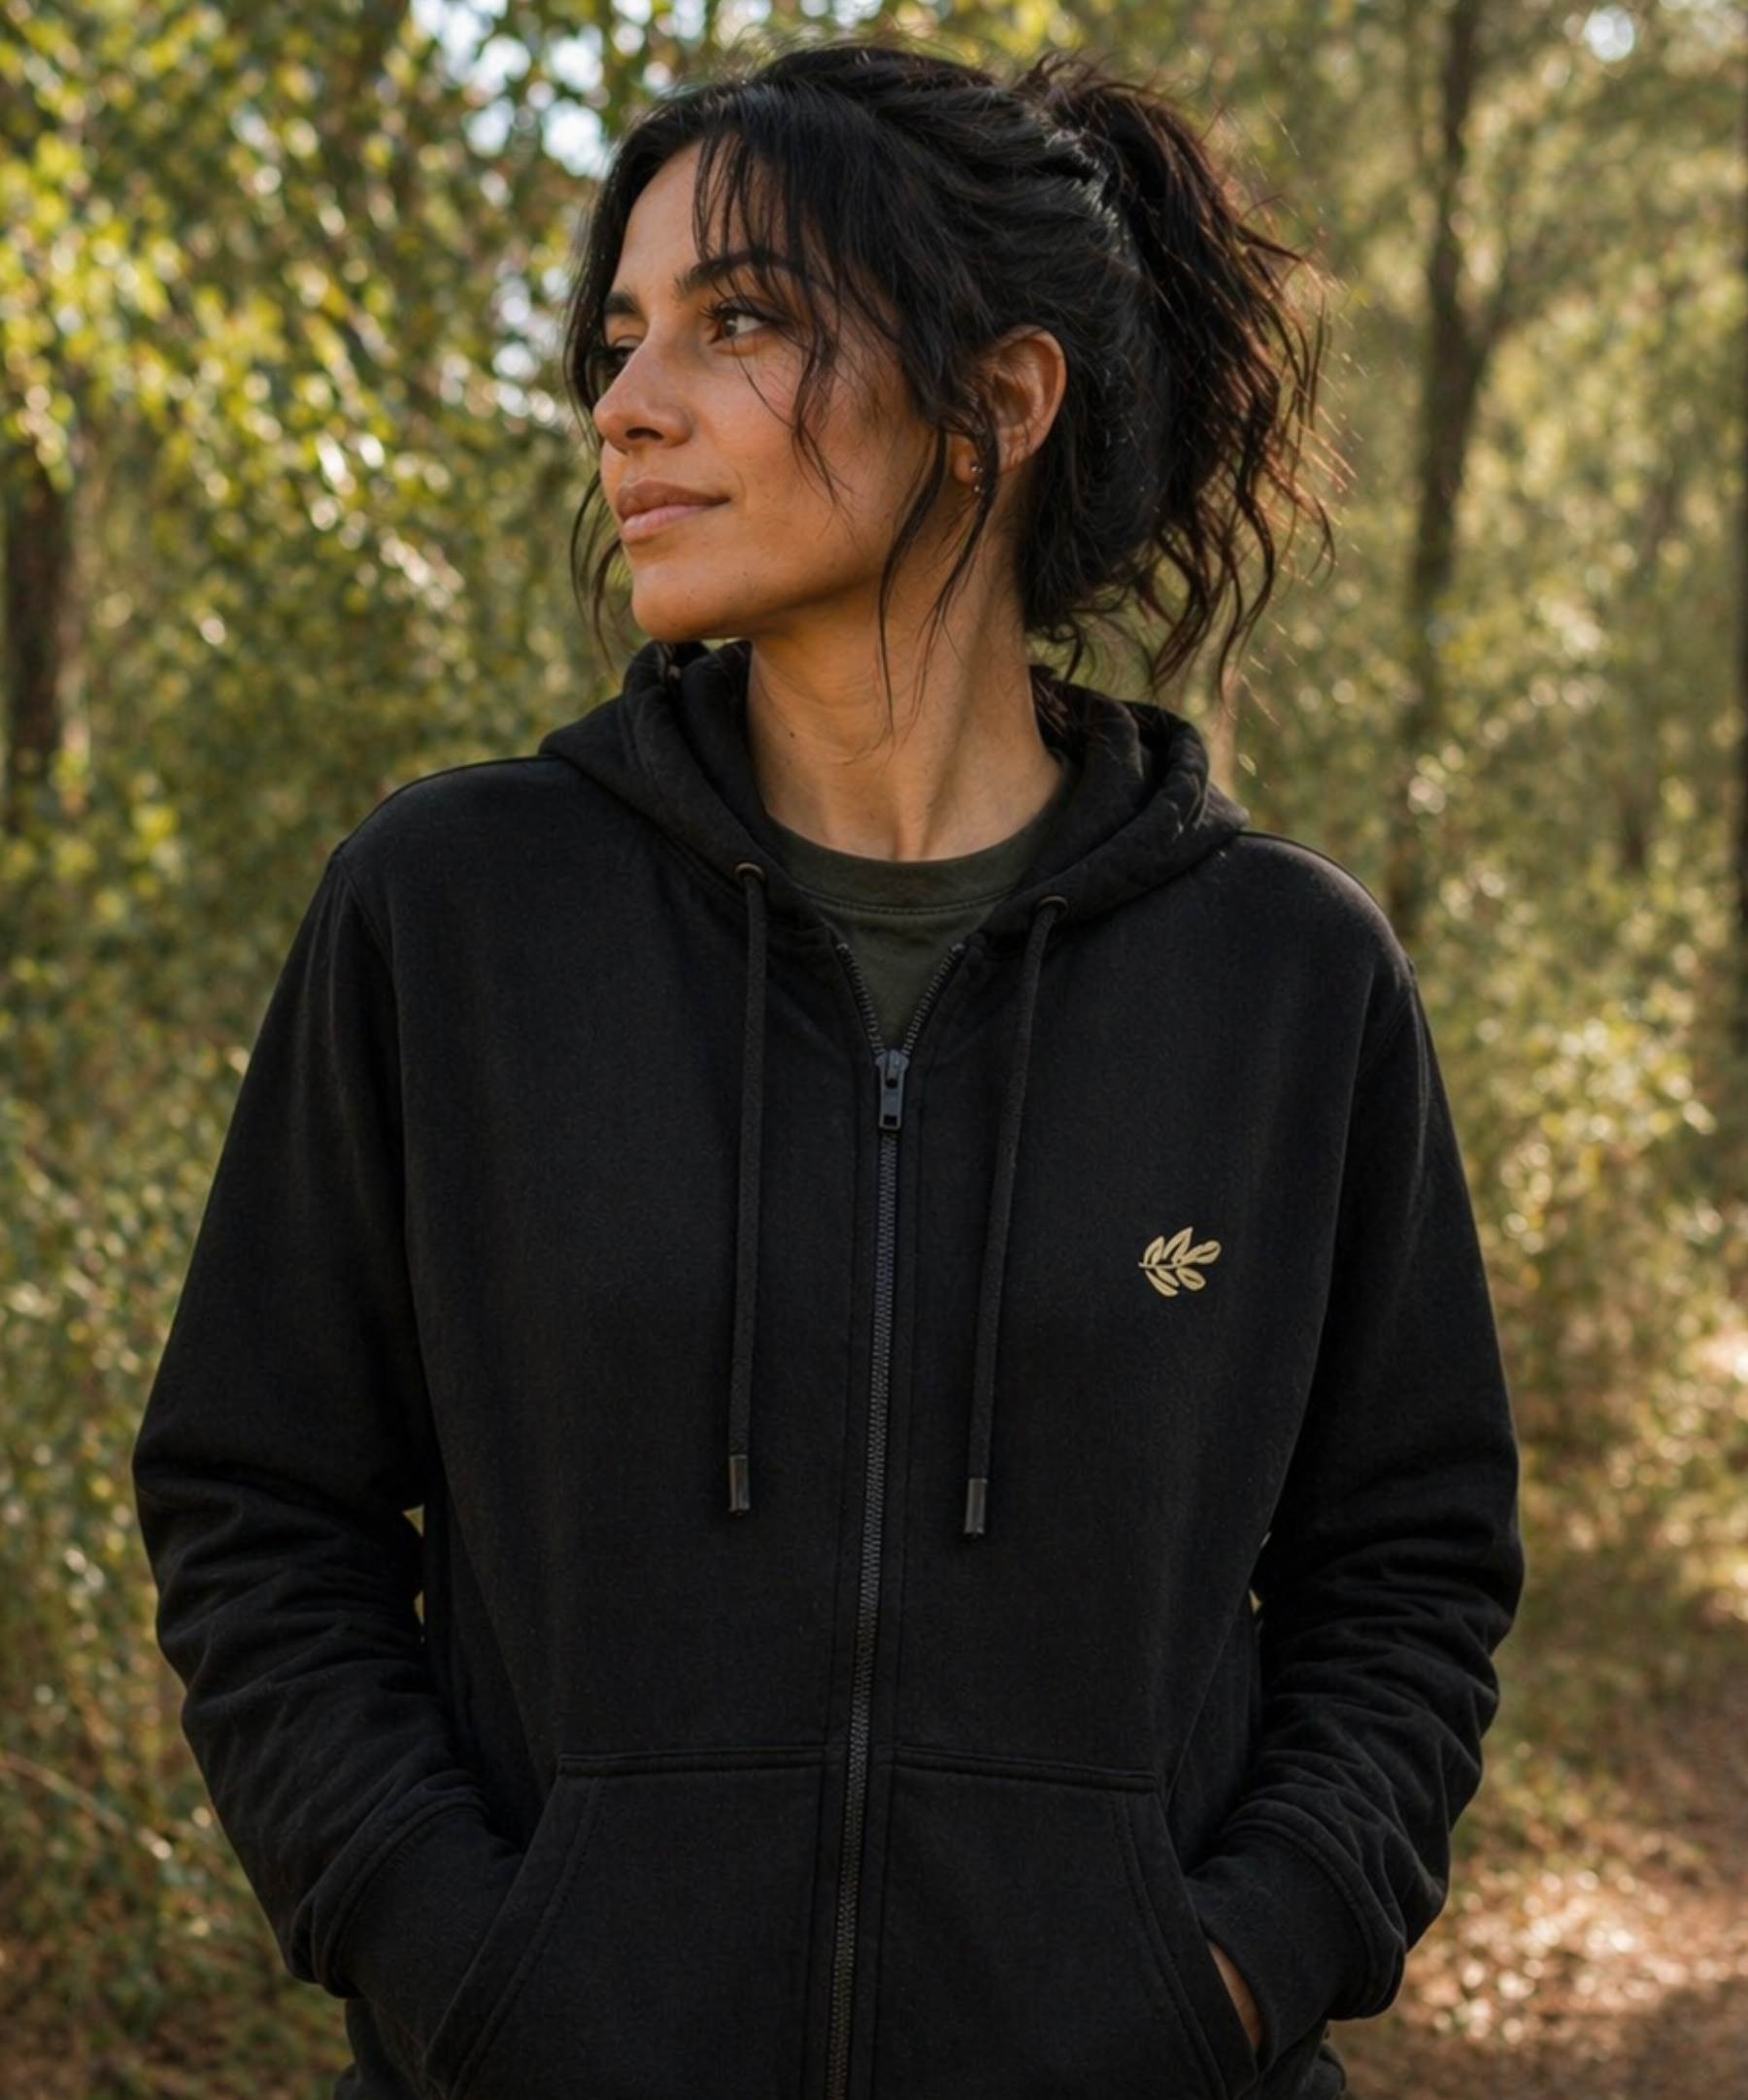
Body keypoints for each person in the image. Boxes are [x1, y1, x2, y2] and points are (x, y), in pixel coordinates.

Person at [135, 38, 1523, 2100]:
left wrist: (1222, 1979)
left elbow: (1407, 1568)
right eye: (622, 336)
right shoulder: (456, 914)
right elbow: (260, 1503)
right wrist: (469, 1972)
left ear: (997, 401)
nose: (628, 402)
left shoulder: (1287, 982)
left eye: (741, 321)